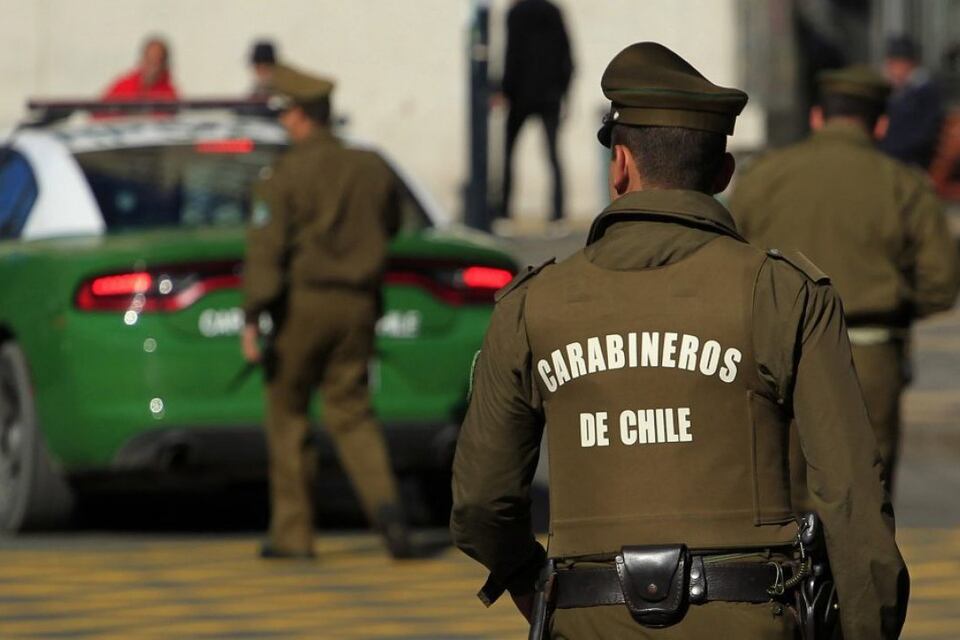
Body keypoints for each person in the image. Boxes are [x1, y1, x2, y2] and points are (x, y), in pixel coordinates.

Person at [451, 42, 908, 639]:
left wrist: (538, 584)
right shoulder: (782, 292)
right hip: (753, 619)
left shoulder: (531, 305)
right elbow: (850, 495)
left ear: (619, 165)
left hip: (591, 619)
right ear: (722, 173)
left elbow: (481, 504)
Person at [731, 65, 960, 497]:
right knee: (862, 502)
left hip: (777, 355)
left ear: (817, 117)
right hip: (868, 356)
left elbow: (728, 260)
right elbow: (941, 283)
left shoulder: (763, 177)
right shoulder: (902, 185)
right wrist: (893, 300)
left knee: (783, 498)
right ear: (882, 123)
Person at [241, 62, 416, 560]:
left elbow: (266, 252)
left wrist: (253, 315)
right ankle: (388, 513)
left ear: (298, 117)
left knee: (289, 413)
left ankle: (293, 536)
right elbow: (394, 223)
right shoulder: (370, 165)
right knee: (353, 411)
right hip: (359, 305)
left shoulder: (284, 175)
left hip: (304, 305)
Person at [499, 0, 573, 223]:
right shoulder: (554, 12)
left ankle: (504, 211)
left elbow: (512, 55)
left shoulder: (515, 13)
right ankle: (558, 213)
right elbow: (567, 57)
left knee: (508, 154)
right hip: (550, 95)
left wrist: (504, 90)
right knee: (553, 155)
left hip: (520, 95)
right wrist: (564, 93)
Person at [879, 35, 944, 168]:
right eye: (890, 63)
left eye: (896, 63)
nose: (891, 68)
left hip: (912, 161)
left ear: (910, 64)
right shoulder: (889, 91)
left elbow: (925, 135)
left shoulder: (925, 92)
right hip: (888, 157)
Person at [103, 36, 179, 101]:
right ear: (142, 60)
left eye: (156, 62)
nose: (152, 67)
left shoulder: (169, 96)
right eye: (149, 60)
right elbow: (100, 112)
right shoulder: (123, 87)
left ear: (164, 65)